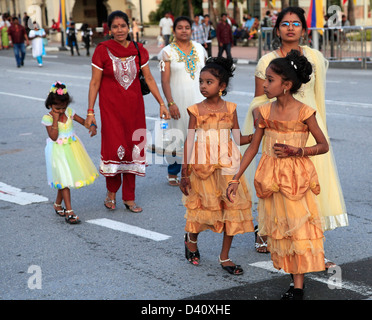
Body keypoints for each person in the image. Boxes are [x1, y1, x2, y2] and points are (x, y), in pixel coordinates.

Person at [241, 6, 348, 257]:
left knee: (307, 185)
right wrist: (264, 120)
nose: (290, 27)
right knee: (276, 184)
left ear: (304, 29)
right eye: (285, 23)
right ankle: (265, 230)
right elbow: (259, 99)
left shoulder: (315, 58)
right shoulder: (267, 61)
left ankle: (304, 235)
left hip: (308, 126)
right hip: (278, 126)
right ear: (277, 29)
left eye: (296, 23)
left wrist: (320, 127)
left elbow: (318, 97)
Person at [227, 50, 329, 299]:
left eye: (270, 79)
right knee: (280, 229)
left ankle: (298, 287)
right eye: (265, 78)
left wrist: (298, 150)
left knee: (298, 228)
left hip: (296, 180)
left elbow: (323, 145)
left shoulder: (305, 112)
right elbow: (252, 147)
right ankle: (294, 280)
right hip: (271, 178)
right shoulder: (262, 112)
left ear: (287, 85)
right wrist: (235, 177)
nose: (264, 84)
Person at [86, 11, 169, 212]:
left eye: (123, 25)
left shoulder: (138, 50)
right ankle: (111, 192)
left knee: (133, 150)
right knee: (115, 149)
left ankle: (129, 197)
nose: (119, 30)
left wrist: (162, 103)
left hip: (134, 110)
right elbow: (95, 82)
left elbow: (148, 78)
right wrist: (90, 111)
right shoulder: (102, 50)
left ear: (129, 26)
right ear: (110, 29)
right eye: (115, 27)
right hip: (111, 110)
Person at [180, 57, 254, 274]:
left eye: (209, 82)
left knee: (231, 207)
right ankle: (191, 240)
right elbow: (190, 140)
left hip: (228, 164)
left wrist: (258, 133)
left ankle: (225, 256)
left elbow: (238, 138)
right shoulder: (195, 110)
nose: (203, 86)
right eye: (201, 82)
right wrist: (185, 170)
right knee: (202, 208)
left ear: (222, 86)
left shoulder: (231, 108)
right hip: (202, 167)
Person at [158, 16, 208, 186]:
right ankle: (173, 172)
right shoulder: (167, 52)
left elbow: (208, 75)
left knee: (199, 135)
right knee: (177, 135)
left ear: (191, 30)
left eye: (187, 27)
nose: (184, 30)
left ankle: (196, 171)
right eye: (180, 28)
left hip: (199, 100)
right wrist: (170, 103)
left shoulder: (200, 49)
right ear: (174, 31)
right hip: (178, 101)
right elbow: (165, 81)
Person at [41, 81, 99, 224]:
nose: (61, 111)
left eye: (63, 107)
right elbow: (53, 137)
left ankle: (57, 204)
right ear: (50, 105)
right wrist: (55, 120)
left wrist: (91, 126)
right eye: (57, 108)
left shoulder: (69, 112)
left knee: (64, 178)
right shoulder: (48, 118)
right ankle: (70, 211)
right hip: (58, 152)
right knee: (65, 180)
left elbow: (83, 122)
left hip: (73, 149)